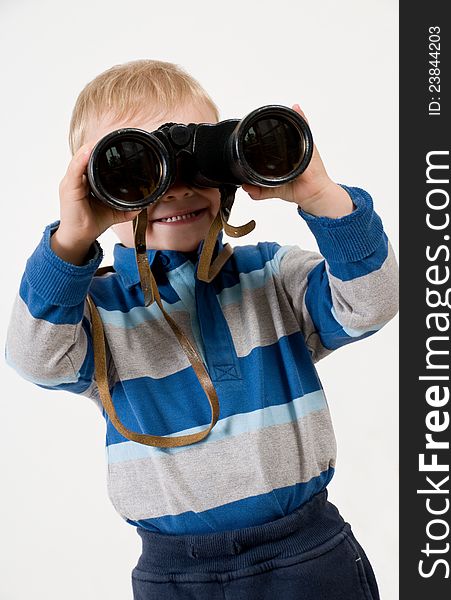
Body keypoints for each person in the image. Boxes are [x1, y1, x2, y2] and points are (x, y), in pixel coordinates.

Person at [5, 59, 398, 599]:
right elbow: (35, 359)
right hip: (174, 577)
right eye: (141, 171)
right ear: (95, 187)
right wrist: (69, 242)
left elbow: (371, 302)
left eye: (197, 158)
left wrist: (318, 193)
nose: (176, 189)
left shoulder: (272, 276)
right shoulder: (93, 310)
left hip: (307, 557)